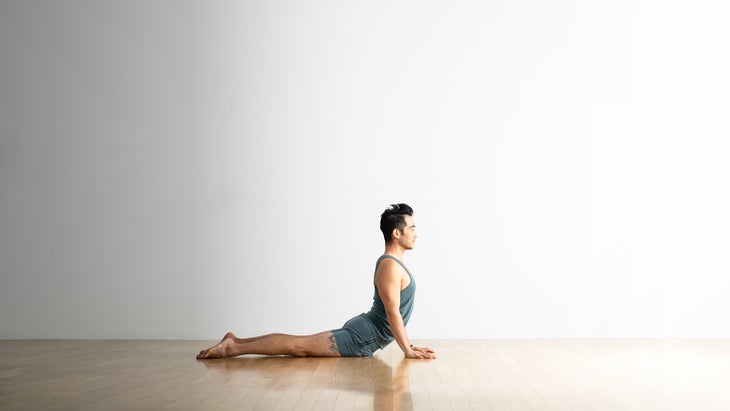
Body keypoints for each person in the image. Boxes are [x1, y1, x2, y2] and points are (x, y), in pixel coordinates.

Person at [196, 203, 436, 360]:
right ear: (397, 233)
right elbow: (392, 313)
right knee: (298, 347)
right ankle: (233, 348)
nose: (416, 233)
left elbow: (392, 314)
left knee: (299, 344)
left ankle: (236, 342)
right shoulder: (390, 266)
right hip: (363, 336)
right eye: (412, 228)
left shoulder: (393, 264)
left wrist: (409, 345)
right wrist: (407, 349)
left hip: (364, 332)